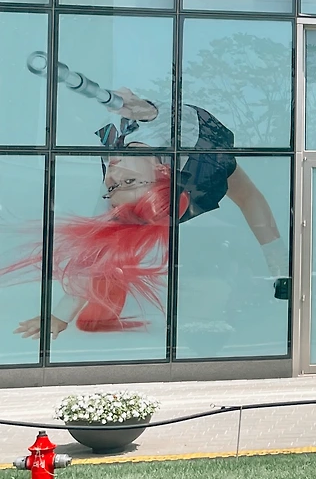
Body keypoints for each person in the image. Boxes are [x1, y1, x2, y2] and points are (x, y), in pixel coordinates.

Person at [6, 86, 287, 339]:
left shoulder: (115, 186)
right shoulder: (201, 158)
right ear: (161, 172)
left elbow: (95, 260)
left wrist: (59, 316)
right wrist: (281, 270)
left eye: (113, 187)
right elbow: (250, 199)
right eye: (129, 181)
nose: (113, 174)